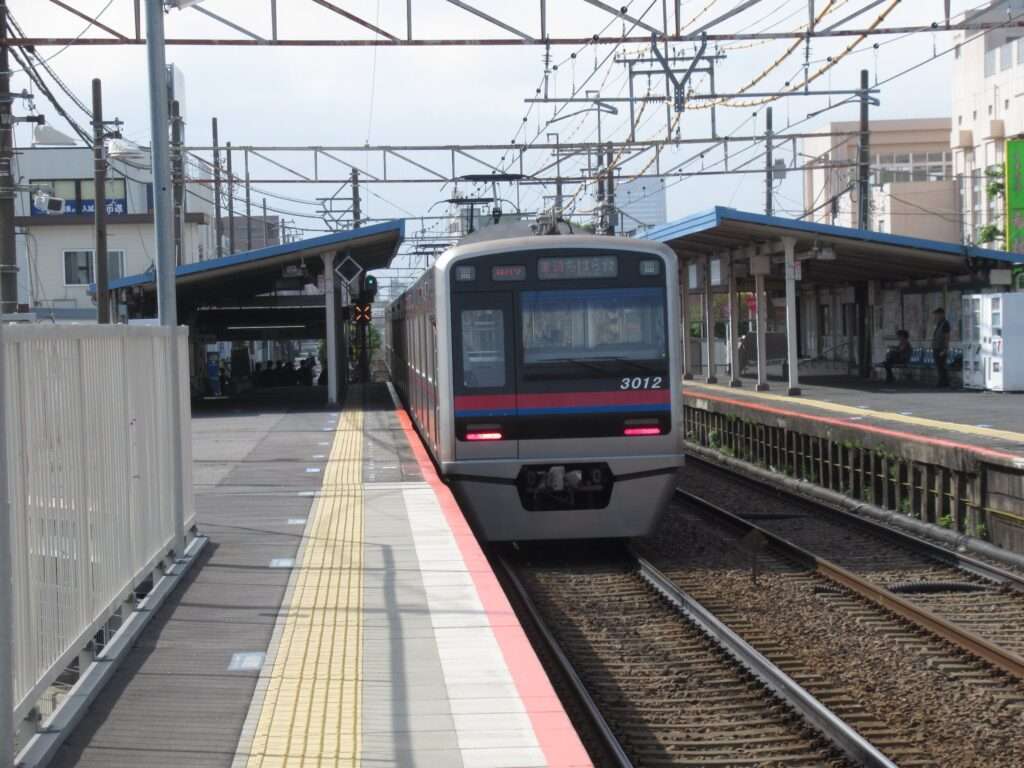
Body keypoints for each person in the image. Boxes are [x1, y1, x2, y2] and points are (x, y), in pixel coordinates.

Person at [932, 307, 951, 387]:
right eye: (935, 315)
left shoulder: (945, 324)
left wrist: (945, 349)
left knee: (941, 365)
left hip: (941, 348)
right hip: (936, 347)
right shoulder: (938, 323)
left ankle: (942, 382)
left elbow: (947, 337)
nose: (936, 316)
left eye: (937, 314)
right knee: (939, 365)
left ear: (942, 314)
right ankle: (944, 382)